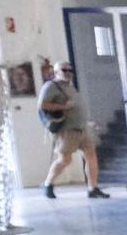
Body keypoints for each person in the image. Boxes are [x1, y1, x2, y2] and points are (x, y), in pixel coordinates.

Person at [38, 61, 107, 201]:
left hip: (82, 129)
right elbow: (42, 105)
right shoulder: (51, 86)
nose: (68, 72)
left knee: (91, 155)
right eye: (64, 69)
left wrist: (87, 122)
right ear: (56, 72)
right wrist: (63, 106)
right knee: (64, 160)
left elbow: (77, 109)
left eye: (70, 69)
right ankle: (48, 184)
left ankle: (92, 188)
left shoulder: (70, 87)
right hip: (67, 131)